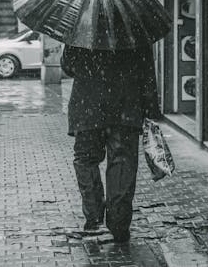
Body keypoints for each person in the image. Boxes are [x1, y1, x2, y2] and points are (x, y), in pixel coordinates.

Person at [60, 43, 161, 244]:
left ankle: (94, 216)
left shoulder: (82, 27)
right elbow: (147, 71)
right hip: (126, 107)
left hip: (87, 107)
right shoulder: (134, 28)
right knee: (122, 162)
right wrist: (151, 108)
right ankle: (119, 223)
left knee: (86, 160)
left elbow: (68, 66)